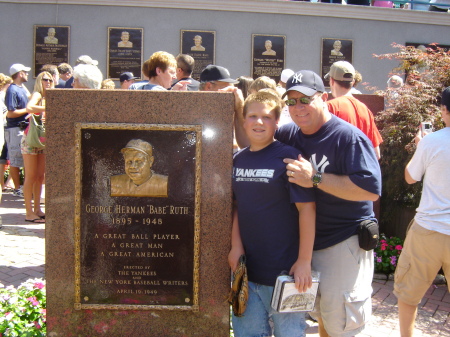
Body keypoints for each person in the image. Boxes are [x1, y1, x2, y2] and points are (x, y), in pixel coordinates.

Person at [234, 70, 381, 337]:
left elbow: (370, 190)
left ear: (323, 97)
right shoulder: (291, 134)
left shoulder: (347, 137)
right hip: (303, 244)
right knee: (318, 315)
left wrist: (314, 178)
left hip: (341, 241)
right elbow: (255, 146)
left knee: (340, 321)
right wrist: (237, 108)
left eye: (306, 99)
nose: (298, 107)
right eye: (291, 101)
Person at [229, 90, 315, 337]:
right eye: (253, 116)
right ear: (243, 120)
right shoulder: (238, 160)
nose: (259, 122)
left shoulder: (288, 158)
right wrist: (236, 246)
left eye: (266, 117)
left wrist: (304, 261)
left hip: (285, 273)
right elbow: (237, 206)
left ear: (277, 122)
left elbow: (307, 209)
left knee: (289, 333)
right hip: (247, 273)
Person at [394, 87, 450, 337]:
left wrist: (420, 146)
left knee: (409, 294)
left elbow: (410, 177)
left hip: (429, 229)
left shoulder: (432, 141)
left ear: (444, 109)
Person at [325, 61, 383, 159]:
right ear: (352, 82)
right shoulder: (365, 109)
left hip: (335, 172)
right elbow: (376, 154)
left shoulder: (329, 107)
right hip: (359, 171)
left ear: (332, 81)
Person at [22, 71, 53, 223]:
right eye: (45, 79)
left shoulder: (50, 97)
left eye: (50, 80)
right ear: (39, 81)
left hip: (42, 140)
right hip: (30, 139)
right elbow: (29, 107)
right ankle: (28, 212)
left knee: (40, 177)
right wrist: (47, 109)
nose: (48, 82)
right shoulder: (38, 94)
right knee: (30, 176)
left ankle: (37, 209)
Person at [5, 64, 31, 198]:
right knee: (15, 159)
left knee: (27, 159)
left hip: (25, 128)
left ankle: (26, 188)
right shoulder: (12, 90)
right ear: (20, 73)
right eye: (25, 72)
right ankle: (17, 188)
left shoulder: (22, 89)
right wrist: (29, 109)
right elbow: (11, 112)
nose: (27, 74)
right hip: (15, 128)